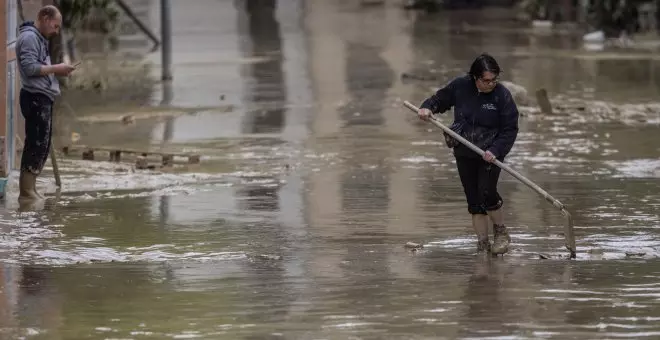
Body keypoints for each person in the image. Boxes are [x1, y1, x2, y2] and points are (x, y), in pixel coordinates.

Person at [417, 53, 519, 255]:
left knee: (487, 192)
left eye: (494, 80)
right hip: (464, 150)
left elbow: (510, 130)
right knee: (473, 199)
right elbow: (439, 100)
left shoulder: (502, 96)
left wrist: (495, 150)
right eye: (486, 80)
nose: (490, 84)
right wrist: (427, 108)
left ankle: (500, 232)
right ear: (475, 78)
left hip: (490, 153)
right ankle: (482, 245)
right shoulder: (460, 86)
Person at [15, 5, 76, 200]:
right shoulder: (29, 38)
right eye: (55, 26)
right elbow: (30, 67)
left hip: (42, 97)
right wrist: (57, 68)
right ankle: (26, 191)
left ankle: (30, 188)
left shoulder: (39, 38)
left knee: (42, 144)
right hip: (34, 98)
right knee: (35, 144)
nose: (56, 31)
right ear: (44, 17)